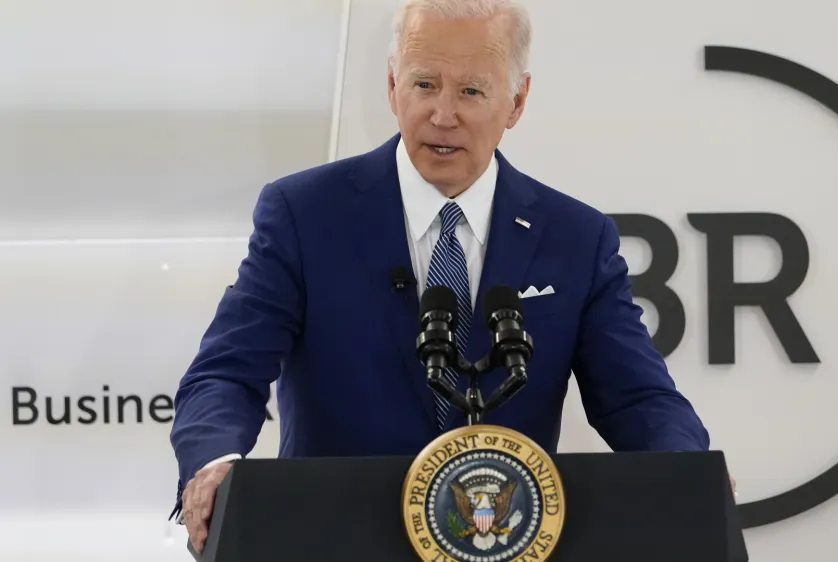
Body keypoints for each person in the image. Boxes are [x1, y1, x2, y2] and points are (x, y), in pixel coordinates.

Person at [170, 0, 716, 552]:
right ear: (391, 85)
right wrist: (215, 465)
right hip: (332, 540)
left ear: (518, 100)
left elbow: (637, 399)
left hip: (506, 541)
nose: (443, 114)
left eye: (472, 92)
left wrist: (692, 476)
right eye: (424, 84)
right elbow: (225, 373)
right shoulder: (304, 214)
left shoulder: (575, 237)